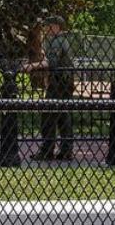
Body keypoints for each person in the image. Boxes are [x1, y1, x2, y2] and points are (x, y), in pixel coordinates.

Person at [23, 14, 75, 160]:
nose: (46, 28)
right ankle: (66, 150)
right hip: (65, 82)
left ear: (56, 26)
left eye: (48, 26)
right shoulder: (65, 40)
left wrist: (31, 66)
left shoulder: (57, 41)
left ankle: (47, 150)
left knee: (49, 116)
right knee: (63, 116)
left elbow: (52, 63)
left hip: (59, 84)